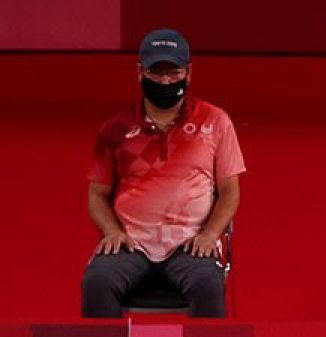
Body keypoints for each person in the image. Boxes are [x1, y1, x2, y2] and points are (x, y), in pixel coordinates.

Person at [82, 28, 244, 317]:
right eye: (157, 73)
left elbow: (230, 191)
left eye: (174, 72)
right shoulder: (115, 130)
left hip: (191, 243)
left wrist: (209, 234)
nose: (166, 81)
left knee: (208, 284)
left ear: (189, 73)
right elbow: (97, 195)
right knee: (97, 282)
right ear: (140, 73)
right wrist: (112, 231)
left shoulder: (215, 121)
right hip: (132, 243)